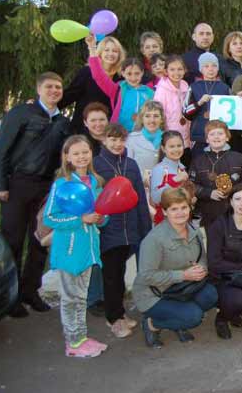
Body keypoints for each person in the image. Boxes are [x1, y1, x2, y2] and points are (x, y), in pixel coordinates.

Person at [0, 72, 71, 317]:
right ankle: (12, 296)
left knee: (39, 240)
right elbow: (1, 149)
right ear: (38, 89)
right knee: (14, 240)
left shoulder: (62, 122)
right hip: (17, 184)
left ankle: (30, 290)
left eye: (58, 87)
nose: (54, 91)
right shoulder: (21, 113)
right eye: (49, 87)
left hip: (45, 187)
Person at [43, 135, 108, 357]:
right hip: (70, 250)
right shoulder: (62, 184)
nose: (81, 157)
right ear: (67, 157)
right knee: (71, 298)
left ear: (91, 153)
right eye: (76, 153)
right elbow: (50, 217)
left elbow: (101, 212)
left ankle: (81, 337)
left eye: (85, 152)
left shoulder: (96, 182)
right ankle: (73, 342)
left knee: (81, 296)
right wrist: (80, 220)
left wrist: (101, 218)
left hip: (89, 249)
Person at [133, 188, 218, 348]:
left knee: (211, 295)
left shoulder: (195, 232)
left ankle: (178, 319)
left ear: (190, 208)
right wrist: (183, 275)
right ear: (165, 212)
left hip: (182, 288)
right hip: (154, 294)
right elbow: (146, 276)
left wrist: (201, 269)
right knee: (194, 317)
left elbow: (202, 259)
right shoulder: (154, 239)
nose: (180, 213)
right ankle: (152, 324)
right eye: (174, 209)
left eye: (184, 207)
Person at [93, 124, 152, 338]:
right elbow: (95, 197)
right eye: (112, 139)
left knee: (121, 273)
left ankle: (120, 311)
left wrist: (145, 228)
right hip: (109, 229)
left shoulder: (131, 164)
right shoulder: (96, 164)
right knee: (111, 275)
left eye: (121, 140)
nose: (117, 144)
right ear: (104, 140)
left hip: (131, 228)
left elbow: (140, 199)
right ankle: (113, 318)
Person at [206, 183, 242, 339]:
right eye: (238, 199)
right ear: (231, 201)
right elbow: (214, 263)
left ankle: (232, 312)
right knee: (238, 299)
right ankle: (222, 318)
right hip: (222, 278)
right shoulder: (219, 225)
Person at [189, 121, 242, 228]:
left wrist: (233, 191)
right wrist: (209, 193)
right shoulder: (198, 161)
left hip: (235, 212)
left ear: (227, 137)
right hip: (208, 213)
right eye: (212, 134)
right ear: (207, 139)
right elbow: (191, 185)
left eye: (220, 133)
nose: (216, 137)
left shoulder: (239, 157)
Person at [87, 35, 155, 132]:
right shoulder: (117, 89)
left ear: (142, 73)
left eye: (137, 73)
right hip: (120, 135)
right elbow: (99, 76)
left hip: (142, 136)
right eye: (129, 74)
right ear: (123, 73)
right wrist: (92, 48)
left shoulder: (150, 92)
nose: (133, 77)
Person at [60, 36, 124, 133]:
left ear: (119, 55)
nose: (110, 54)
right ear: (100, 52)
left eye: (115, 51)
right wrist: (44, 107)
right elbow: (70, 94)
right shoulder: (87, 72)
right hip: (83, 127)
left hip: (107, 130)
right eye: (106, 50)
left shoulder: (121, 78)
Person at [183, 52, 231, 155]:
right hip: (199, 134)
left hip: (219, 136)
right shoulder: (194, 87)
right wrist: (199, 103)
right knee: (198, 161)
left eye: (214, 66)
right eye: (206, 66)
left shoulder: (225, 88)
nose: (211, 69)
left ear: (218, 68)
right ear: (201, 69)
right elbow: (186, 112)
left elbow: (232, 111)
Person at [150, 131, 191, 224]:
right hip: (165, 221)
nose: (176, 149)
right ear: (163, 148)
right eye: (172, 146)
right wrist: (174, 180)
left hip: (182, 218)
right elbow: (155, 198)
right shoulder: (159, 169)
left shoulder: (182, 168)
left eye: (179, 145)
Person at [153, 55, 191, 149]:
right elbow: (158, 114)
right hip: (170, 137)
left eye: (180, 69)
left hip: (186, 135)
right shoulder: (162, 90)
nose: (176, 73)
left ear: (184, 70)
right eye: (172, 69)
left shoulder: (185, 86)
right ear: (166, 71)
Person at [127, 100, 166, 183]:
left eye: (156, 116)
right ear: (142, 119)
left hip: (164, 187)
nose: (152, 120)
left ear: (162, 119)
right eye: (147, 116)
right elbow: (128, 168)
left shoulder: (168, 138)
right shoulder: (132, 139)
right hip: (139, 186)